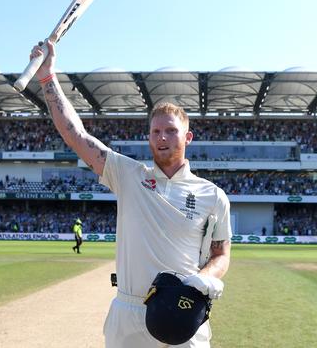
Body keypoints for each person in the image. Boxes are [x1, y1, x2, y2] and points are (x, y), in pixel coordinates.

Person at [29, 41, 232, 348]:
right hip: (129, 312)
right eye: (155, 132)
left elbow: (220, 254)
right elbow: (76, 135)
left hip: (183, 310)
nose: (162, 138)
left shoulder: (213, 195)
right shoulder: (127, 175)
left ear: (187, 136)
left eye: (171, 131)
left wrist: (206, 277)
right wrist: (48, 78)